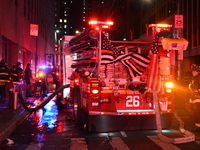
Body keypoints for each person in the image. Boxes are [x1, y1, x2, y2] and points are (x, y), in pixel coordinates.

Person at [188, 64, 200, 131]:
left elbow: (195, 89)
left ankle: (198, 127)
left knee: (197, 112)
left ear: (196, 72)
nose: (192, 72)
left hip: (197, 99)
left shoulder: (197, 79)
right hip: (195, 99)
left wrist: (197, 100)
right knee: (195, 112)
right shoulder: (195, 78)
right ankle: (197, 126)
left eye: (193, 71)